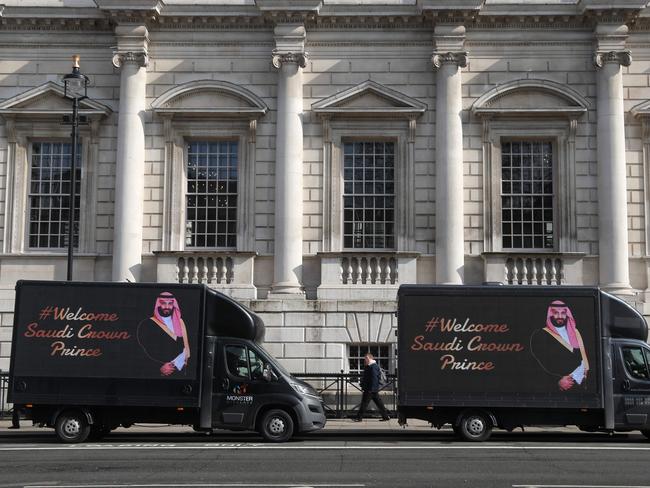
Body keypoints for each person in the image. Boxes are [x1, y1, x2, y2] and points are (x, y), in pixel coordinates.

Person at [530, 300, 590, 391]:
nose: (560, 316)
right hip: (560, 389)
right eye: (556, 313)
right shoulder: (541, 335)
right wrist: (557, 381)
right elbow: (537, 365)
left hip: (582, 387)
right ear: (550, 314)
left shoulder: (576, 332)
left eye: (563, 313)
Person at [137, 292, 190, 377]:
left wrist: (174, 364)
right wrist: (159, 367)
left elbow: (186, 349)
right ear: (158, 304)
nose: (167, 307)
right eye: (163, 303)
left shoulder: (180, 322)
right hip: (157, 373)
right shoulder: (147, 324)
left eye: (170, 304)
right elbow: (143, 352)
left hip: (179, 373)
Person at [354, 353, 390, 422]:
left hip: (370, 389)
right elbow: (367, 377)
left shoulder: (373, 366)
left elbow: (374, 379)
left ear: (370, 358)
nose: (365, 359)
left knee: (364, 403)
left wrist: (371, 389)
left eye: (366, 358)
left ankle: (359, 418)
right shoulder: (369, 366)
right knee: (379, 403)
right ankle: (385, 417)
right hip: (371, 389)